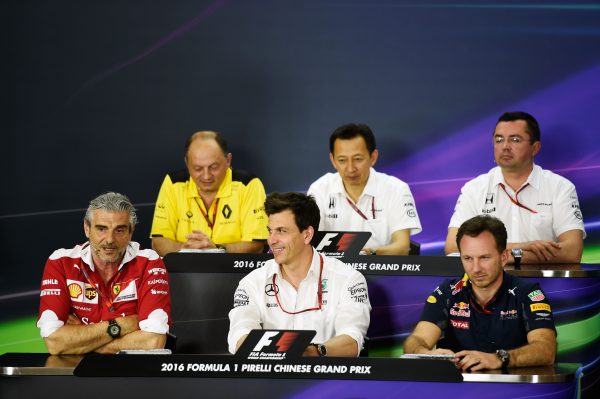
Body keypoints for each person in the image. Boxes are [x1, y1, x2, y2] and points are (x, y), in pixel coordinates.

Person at [404, 215, 556, 371]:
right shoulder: (447, 292)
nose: (476, 268)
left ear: (504, 257)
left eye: (484, 258)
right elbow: (417, 339)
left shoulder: (529, 294)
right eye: (468, 258)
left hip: (511, 392)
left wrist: (499, 358)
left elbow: (546, 349)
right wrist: (423, 353)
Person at [228, 192, 371, 357]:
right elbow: (240, 336)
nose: (271, 240)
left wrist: (314, 352)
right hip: (268, 379)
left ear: (307, 235)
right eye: (270, 231)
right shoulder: (251, 283)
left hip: (325, 379)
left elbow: (352, 340)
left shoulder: (349, 279)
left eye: (281, 231)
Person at [37, 192, 171, 355]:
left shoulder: (150, 262)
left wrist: (82, 340)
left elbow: (153, 342)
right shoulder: (60, 262)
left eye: (119, 230)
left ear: (131, 231)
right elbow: (55, 343)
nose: (109, 239)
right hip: (77, 374)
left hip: (132, 374)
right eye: (102, 229)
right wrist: (123, 325)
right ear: (87, 228)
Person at [445, 112, 585, 264]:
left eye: (515, 140)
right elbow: (453, 247)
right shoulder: (474, 189)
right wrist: (521, 247)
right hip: (485, 284)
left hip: (543, 284)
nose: (505, 146)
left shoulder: (560, 187)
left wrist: (512, 256)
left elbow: (572, 251)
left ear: (535, 148)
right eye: (499, 140)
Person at [307, 123, 422, 255]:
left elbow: (402, 247)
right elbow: (309, 241)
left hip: (381, 271)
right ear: (333, 160)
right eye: (342, 160)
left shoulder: (396, 189)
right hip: (332, 272)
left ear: (373, 157)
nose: (350, 168)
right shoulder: (320, 189)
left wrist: (366, 254)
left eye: (358, 159)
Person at [150, 131, 268, 256]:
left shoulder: (248, 184)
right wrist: (186, 250)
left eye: (214, 167)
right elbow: (158, 242)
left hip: (235, 273)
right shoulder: (173, 183)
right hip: (184, 270)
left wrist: (216, 250)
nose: (206, 176)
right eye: (197, 168)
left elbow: (256, 245)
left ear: (228, 160)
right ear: (187, 163)